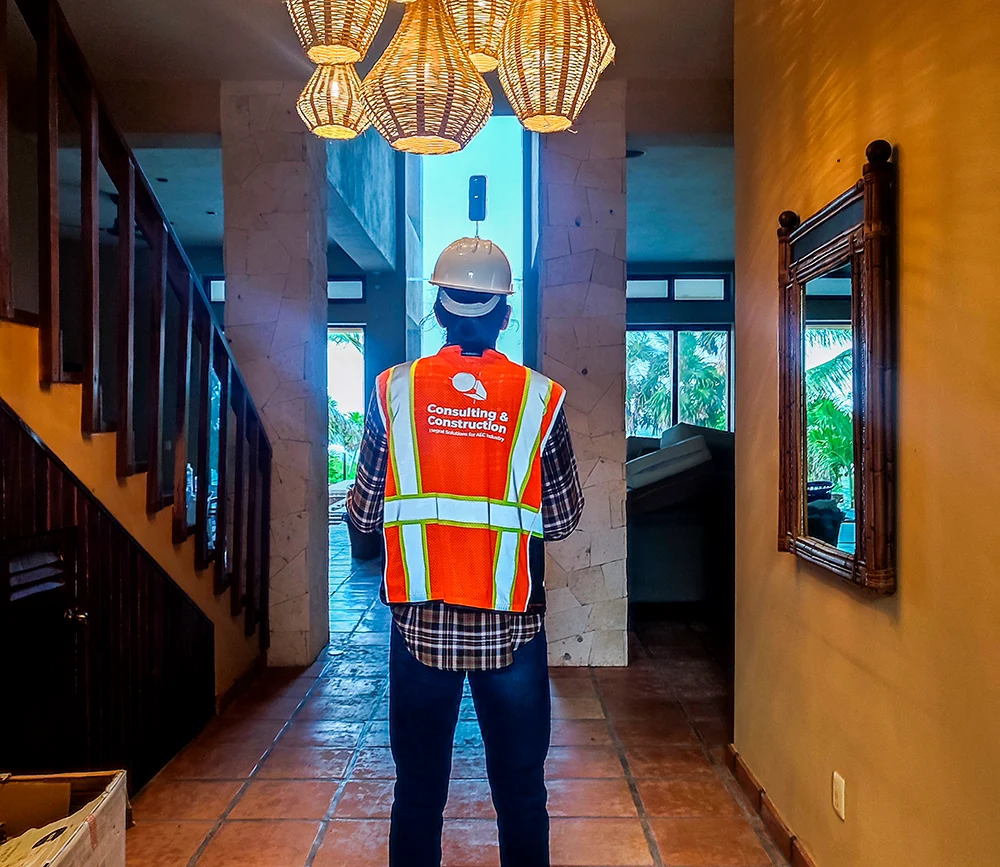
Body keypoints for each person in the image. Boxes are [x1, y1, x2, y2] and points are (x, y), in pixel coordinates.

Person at [347, 236, 583, 867]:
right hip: (512, 627)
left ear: (440, 308)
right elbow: (561, 519)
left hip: (419, 627)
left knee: (419, 794)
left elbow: (366, 514)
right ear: (505, 314)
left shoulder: (393, 393)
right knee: (522, 797)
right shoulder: (540, 399)